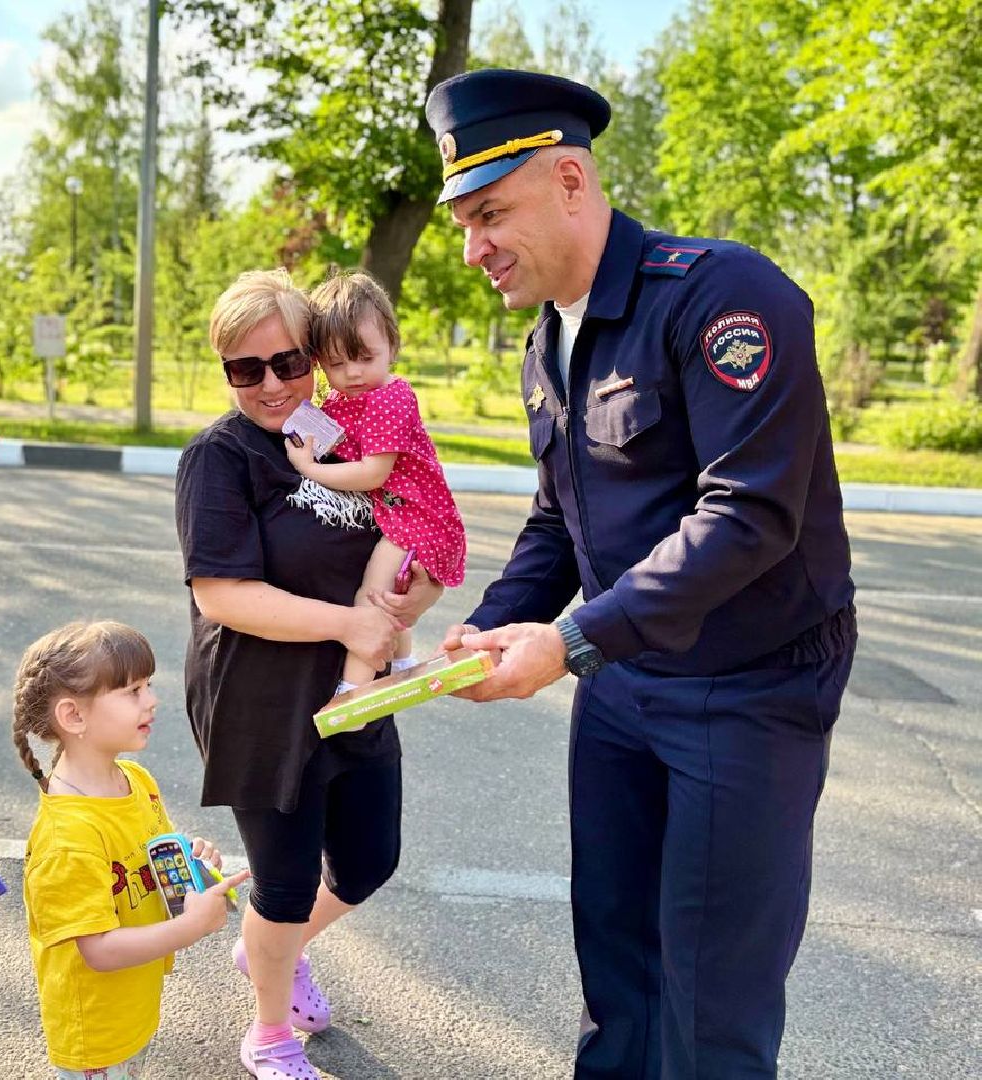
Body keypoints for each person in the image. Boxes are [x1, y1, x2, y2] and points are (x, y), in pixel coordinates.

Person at [424, 69, 857, 1078]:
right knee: (616, 973)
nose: (472, 247)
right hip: (624, 683)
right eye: (461, 221)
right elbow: (559, 519)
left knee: (713, 1003)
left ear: (571, 179)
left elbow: (750, 513)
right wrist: (488, 629)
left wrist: (569, 642)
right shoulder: (548, 341)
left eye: (490, 213)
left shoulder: (722, 296)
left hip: (749, 687)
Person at [173, 269, 441, 1080]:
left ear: (316, 358)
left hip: (353, 684)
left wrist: (406, 611)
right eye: (243, 369)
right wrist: (352, 623)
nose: (269, 384)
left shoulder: (340, 437)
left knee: (367, 859)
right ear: (224, 371)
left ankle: (271, 953)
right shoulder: (219, 458)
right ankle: (269, 1034)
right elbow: (223, 594)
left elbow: (401, 535)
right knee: (285, 881)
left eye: (287, 363)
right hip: (259, 698)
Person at [13, 620, 249, 1079]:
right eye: (132, 691)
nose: (152, 699)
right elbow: (98, 950)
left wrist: (193, 860)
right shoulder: (68, 838)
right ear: (73, 717)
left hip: (133, 1002)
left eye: (148, 685)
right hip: (96, 1031)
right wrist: (191, 927)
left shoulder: (136, 781)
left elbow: (155, 863)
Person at [284, 268, 466, 692]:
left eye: (365, 357)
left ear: (392, 346)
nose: (352, 373)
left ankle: (354, 688)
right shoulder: (344, 400)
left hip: (416, 517)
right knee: (390, 599)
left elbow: (373, 472)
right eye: (336, 363)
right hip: (400, 514)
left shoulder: (390, 397)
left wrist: (310, 468)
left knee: (371, 596)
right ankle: (403, 664)